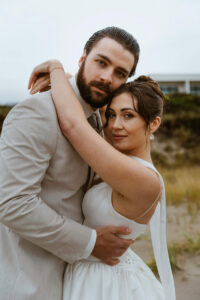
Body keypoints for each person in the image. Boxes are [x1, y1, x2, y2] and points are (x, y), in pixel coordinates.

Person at [0, 27, 140, 300]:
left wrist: (57, 72)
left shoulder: (100, 120)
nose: (106, 77)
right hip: (28, 284)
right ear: (82, 58)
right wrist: (90, 243)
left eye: (120, 73)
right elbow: (11, 202)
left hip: (76, 284)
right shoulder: (37, 112)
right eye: (101, 62)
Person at [28, 59, 176, 299]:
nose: (115, 126)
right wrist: (65, 80)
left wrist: (56, 68)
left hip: (106, 284)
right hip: (86, 271)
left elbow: (74, 125)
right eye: (110, 115)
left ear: (153, 124)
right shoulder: (118, 164)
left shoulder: (145, 179)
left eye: (128, 116)